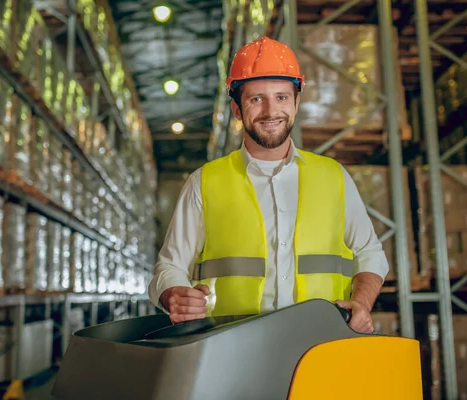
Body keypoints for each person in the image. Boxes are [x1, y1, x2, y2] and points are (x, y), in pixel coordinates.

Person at [148, 36, 389, 334]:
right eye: (256, 99)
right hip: (232, 344)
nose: (270, 111)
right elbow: (169, 267)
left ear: (297, 102)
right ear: (237, 110)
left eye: (282, 97)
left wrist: (362, 303)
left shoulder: (333, 176)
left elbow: (370, 252)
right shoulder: (205, 182)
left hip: (322, 339)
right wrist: (173, 294)